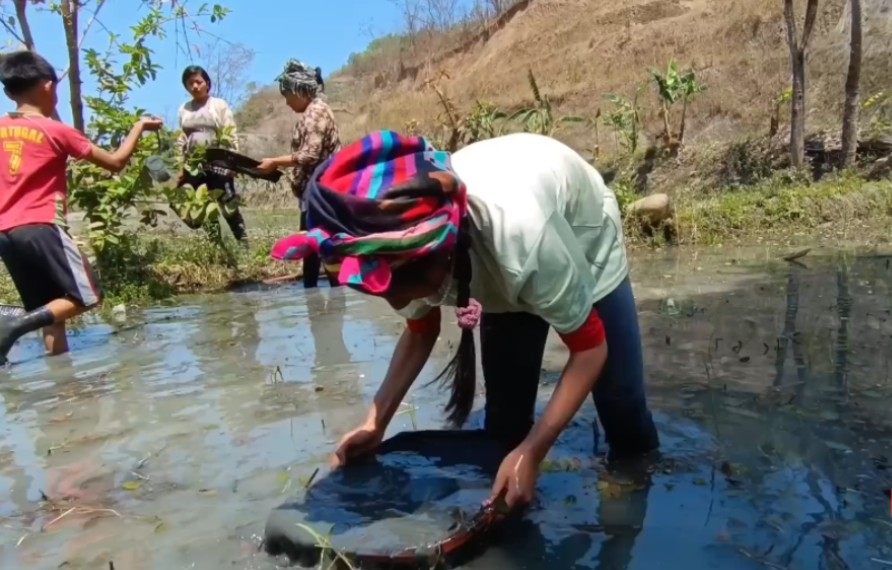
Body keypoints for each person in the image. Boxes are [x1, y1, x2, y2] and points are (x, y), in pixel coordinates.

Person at [270, 130, 660, 509]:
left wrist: (534, 453)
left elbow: (590, 349)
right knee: (505, 427)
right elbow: (420, 332)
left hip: (581, 231)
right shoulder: (393, 244)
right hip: (506, 255)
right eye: (383, 291)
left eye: (401, 290)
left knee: (623, 411)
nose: (398, 302)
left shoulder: (520, 237)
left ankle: (639, 496)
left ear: (442, 255)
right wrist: (375, 423)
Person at [0, 50, 163, 365]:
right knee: (87, 296)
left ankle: (62, 391)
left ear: (8, 92)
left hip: (4, 233)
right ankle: (13, 326)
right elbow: (115, 163)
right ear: (49, 86)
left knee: (49, 310)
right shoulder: (55, 130)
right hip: (41, 226)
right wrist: (139, 127)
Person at [257, 59, 341, 289]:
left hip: (323, 194)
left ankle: (332, 300)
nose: (287, 103)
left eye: (287, 96)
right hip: (316, 193)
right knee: (313, 249)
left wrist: (275, 162)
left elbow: (309, 155)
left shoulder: (315, 114)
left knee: (324, 247)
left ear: (300, 91)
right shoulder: (313, 112)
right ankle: (317, 298)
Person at [175, 65, 247, 243]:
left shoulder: (218, 105)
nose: (195, 86)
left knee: (228, 205)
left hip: (219, 164)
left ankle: (243, 244)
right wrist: (180, 166)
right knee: (203, 205)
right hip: (194, 166)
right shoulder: (184, 109)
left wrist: (232, 163)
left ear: (207, 83)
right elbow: (182, 139)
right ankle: (216, 247)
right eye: (190, 83)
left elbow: (230, 133)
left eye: (198, 82)